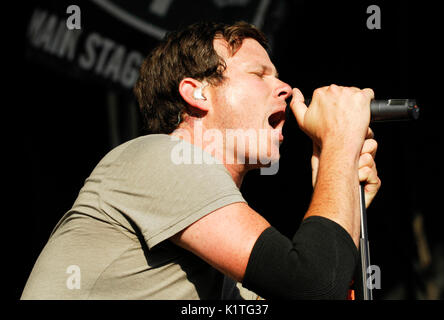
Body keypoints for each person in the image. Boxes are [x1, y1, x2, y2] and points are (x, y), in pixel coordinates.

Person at [21, 21, 380, 300]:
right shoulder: (159, 158)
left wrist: (344, 190)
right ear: (197, 92)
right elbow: (310, 286)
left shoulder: (223, 271)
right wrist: (338, 144)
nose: (285, 87)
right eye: (259, 74)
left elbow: (320, 286)